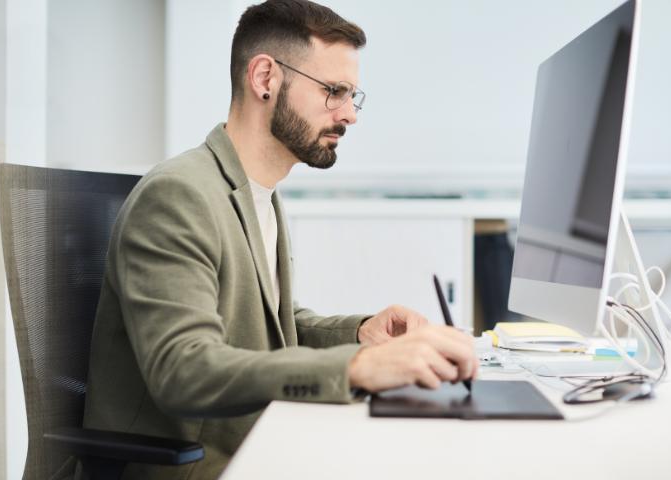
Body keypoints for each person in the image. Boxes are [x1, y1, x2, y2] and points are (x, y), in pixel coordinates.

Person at [83, 1, 477, 478]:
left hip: (256, 442)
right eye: (334, 91)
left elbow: (265, 324)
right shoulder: (179, 194)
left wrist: (360, 333)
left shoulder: (259, 194)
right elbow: (183, 369)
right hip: (196, 466)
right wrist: (354, 368)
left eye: (353, 96)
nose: (349, 114)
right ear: (265, 78)